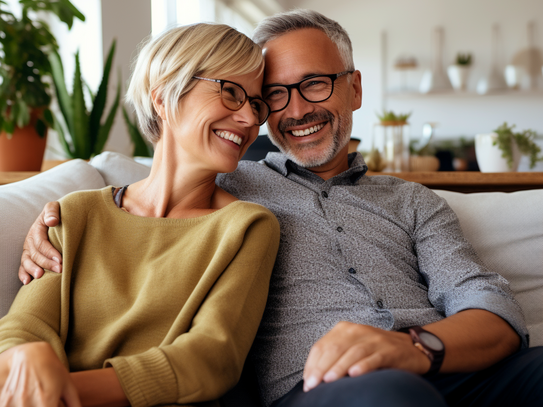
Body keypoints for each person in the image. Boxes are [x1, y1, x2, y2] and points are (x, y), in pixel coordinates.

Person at [17, 9, 543, 407]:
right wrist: (51, 218)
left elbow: (490, 308)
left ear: (354, 88)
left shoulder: (410, 200)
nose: (293, 111)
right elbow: (157, 189)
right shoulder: (230, 188)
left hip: (450, 367)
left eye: (313, 83)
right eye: (272, 95)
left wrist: (415, 345)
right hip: (329, 387)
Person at [0, 23, 280, 407]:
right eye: (231, 92)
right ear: (164, 96)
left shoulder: (247, 226)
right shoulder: (75, 213)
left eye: (256, 104)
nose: (249, 119)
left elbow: (211, 358)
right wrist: (22, 357)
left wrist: (61, 393)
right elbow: (25, 325)